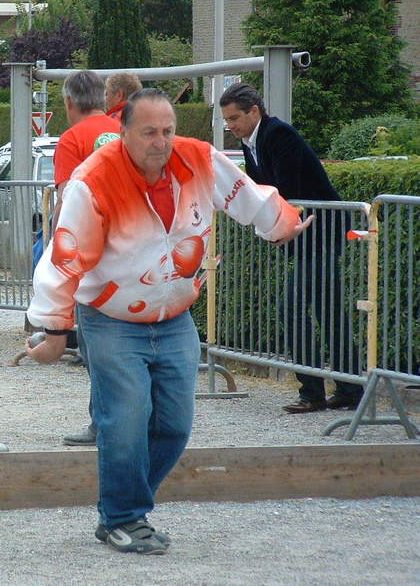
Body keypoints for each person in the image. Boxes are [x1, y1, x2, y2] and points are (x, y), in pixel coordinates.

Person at [27, 89, 311, 554]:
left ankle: (123, 507)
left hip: (175, 314)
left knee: (175, 425)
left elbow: (245, 194)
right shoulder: (92, 181)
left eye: (168, 131)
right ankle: (123, 516)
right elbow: (65, 258)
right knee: (125, 420)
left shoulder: (198, 158)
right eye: (149, 133)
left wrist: (280, 223)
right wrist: (55, 329)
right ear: (122, 132)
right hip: (111, 318)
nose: (161, 142)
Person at [220, 83, 363, 413]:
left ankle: (313, 392)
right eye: (227, 120)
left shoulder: (278, 134)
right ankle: (349, 389)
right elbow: (263, 191)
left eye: (235, 118)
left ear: (254, 111)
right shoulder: (251, 141)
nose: (231, 126)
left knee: (293, 309)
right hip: (306, 236)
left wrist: (271, 226)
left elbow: (283, 190)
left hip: (320, 232)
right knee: (329, 312)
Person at [53, 71, 122, 447]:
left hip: (94, 255)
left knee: (95, 345)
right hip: (131, 248)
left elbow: (69, 200)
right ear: (103, 98)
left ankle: (103, 423)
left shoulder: (72, 139)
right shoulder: (125, 129)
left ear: (69, 102)